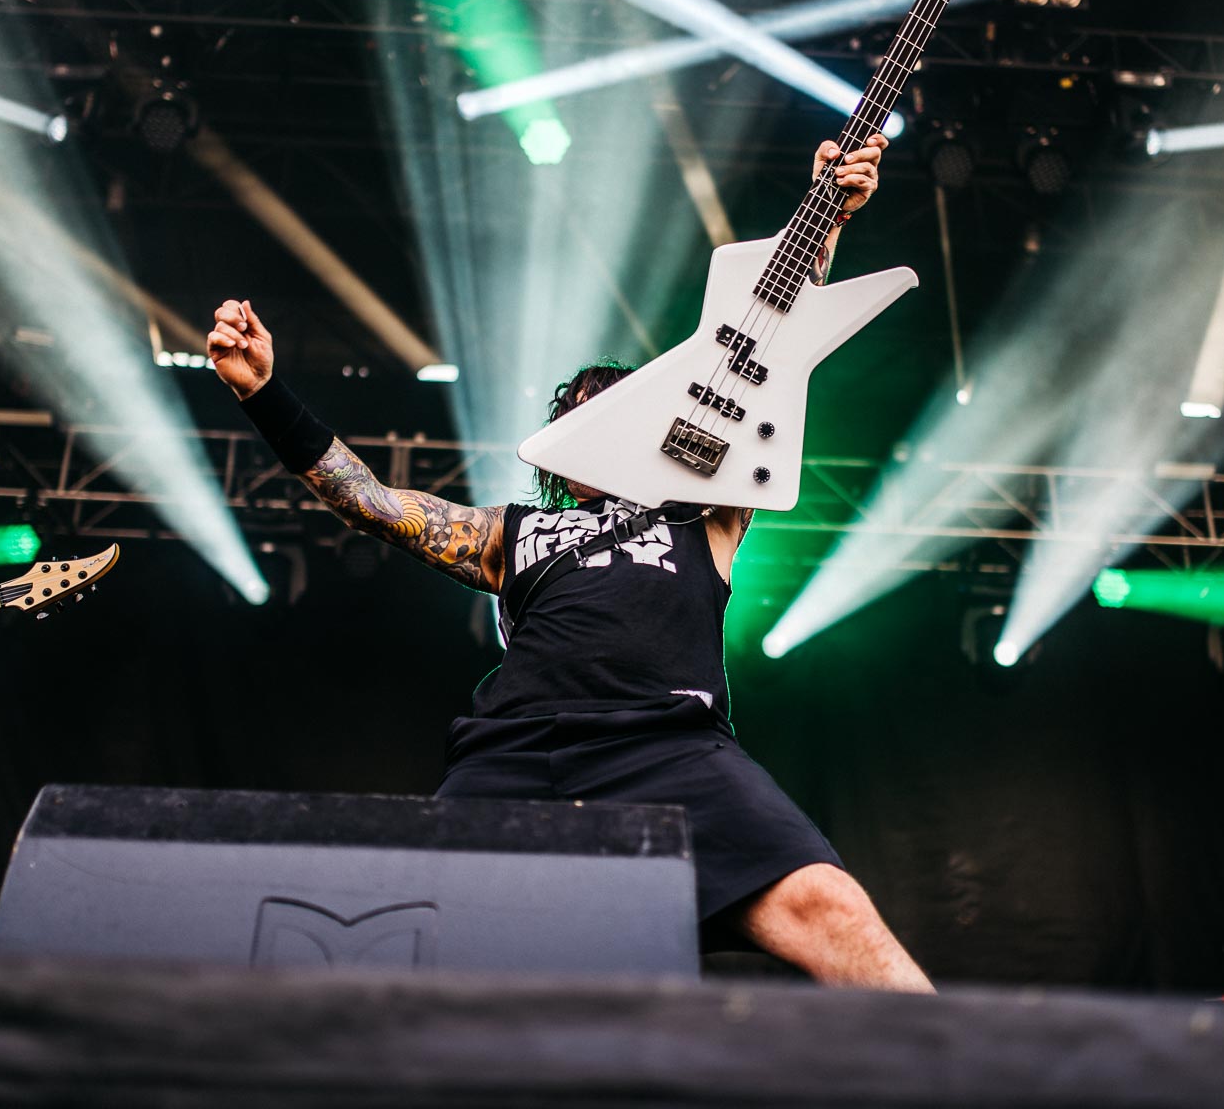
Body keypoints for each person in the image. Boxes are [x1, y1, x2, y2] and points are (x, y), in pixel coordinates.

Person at [209, 135, 931, 990]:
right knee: (391, 938)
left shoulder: (706, 509)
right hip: (513, 755)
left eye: (619, 403)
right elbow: (368, 499)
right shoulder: (517, 532)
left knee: (831, 907)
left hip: (669, 749)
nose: (602, 414)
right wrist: (263, 393)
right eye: (584, 409)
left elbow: (764, 353)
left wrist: (824, 217)